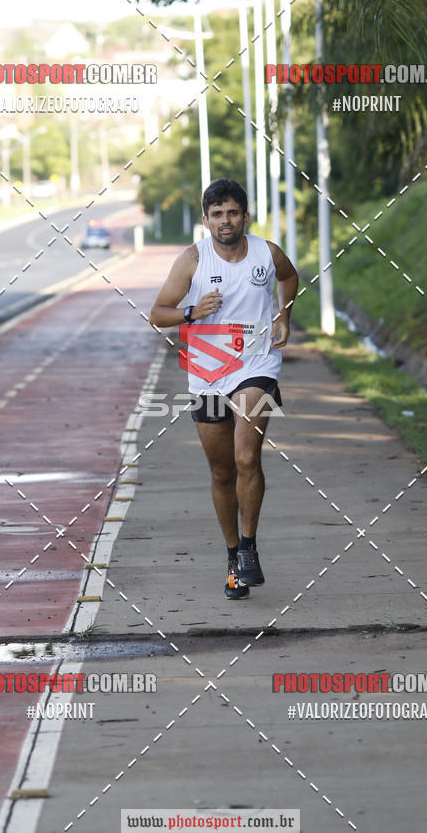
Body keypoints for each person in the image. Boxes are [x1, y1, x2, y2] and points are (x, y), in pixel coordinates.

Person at [149, 178, 299, 600]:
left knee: (246, 456)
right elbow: (156, 314)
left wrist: (283, 316)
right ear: (206, 220)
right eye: (217, 214)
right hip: (207, 373)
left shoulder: (266, 254)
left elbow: (290, 277)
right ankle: (233, 556)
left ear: (245, 216)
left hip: (256, 366)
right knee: (222, 471)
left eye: (232, 212)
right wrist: (192, 311)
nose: (225, 220)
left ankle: (249, 547)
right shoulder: (192, 259)